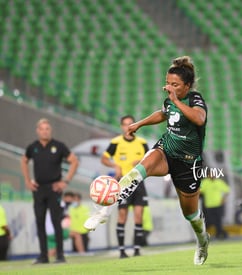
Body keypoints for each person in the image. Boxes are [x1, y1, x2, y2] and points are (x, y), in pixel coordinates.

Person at [84, 56, 210, 265]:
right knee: (137, 172)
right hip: (166, 150)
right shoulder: (171, 99)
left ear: (187, 86)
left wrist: (177, 100)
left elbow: (199, 119)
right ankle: (104, 211)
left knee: (190, 214)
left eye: (175, 84)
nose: (168, 87)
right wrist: (139, 124)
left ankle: (203, 241)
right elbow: (163, 114)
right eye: (167, 82)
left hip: (188, 163)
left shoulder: (194, 99)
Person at [21, 118, 79, 264]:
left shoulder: (59, 146)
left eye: (47, 128)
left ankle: (60, 255)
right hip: (39, 188)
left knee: (56, 221)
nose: (45, 131)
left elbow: (74, 161)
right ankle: (43, 255)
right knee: (40, 221)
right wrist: (28, 181)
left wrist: (65, 181)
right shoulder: (32, 147)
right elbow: (24, 160)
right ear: (37, 131)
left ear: (50, 130)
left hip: (55, 188)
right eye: (42, 129)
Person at [101, 115, 149, 258]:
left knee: (139, 216)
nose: (128, 127)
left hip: (138, 182)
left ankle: (137, 249)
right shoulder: (116, 142)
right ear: (122, 127)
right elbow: (104, 158)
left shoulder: (142, 142)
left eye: (131, 124)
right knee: (122, 215)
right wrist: (114, 165)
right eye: (125, 124)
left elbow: (151, 159)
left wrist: (141, 161)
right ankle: (121, 250)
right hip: (123, 183)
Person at [200, 171, 230, 239]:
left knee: (218, 219)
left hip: (218, 204)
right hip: (209, 205)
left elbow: (227, 190)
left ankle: (219, 234)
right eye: (210, 174)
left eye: (213, 174)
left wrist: (223, 199)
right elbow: (199, 191)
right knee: (212, 220)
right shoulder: (205, 182)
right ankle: (220, 233)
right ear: (208, 175)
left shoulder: (219, 182)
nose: (212, 175)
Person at [46, 191, 73, 258]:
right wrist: (66, 217)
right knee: (76, 234)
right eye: (69, 198)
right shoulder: (61, 205)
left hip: (48, 231)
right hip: (54, 231)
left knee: (51, 252)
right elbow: (59, 217)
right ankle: (82, 253)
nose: (70, 201)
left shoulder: (56, 205)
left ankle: (58, 253)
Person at [0, 193, 11, 261]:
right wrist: (9, 234)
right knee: (3, 260)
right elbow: (3, 226)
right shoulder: (0, 209)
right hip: (1, 237)